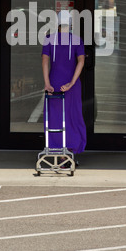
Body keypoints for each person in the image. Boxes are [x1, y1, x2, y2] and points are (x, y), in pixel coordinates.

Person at [41, 10, 87, 155]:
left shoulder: (49, 39)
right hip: (70, 85)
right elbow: (81, 61)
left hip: (54, 83)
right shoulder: (77, 40)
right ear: (71, 24)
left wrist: (47, 83)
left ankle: (56, 149)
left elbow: (44, 62)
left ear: (57, 24)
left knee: (54, 117)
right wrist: (72, 82)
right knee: (72, 116)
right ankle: (71, 149)